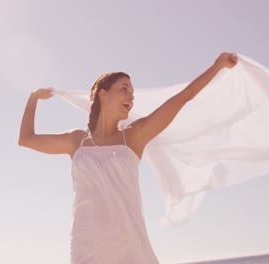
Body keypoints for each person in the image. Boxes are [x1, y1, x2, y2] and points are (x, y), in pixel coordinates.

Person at [18, 52, 238, 263]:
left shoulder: (134, 136)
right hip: (86, 245)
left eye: (132, 92)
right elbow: (26, 139)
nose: (131, 96)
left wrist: (217, 66)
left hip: (128, 244)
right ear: (103, 94)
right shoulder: (76, 141)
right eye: (124, 89)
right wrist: (33, 97)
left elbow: (183, 98)